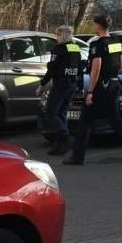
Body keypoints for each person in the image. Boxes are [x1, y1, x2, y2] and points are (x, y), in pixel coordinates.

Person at [68, 13, 122, 166]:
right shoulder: (116, 42)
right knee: (115, 118)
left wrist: (90, 91)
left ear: (98, 25)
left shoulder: (97, 44)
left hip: (101, 86)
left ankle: (77, 157)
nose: (92, 26)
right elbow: (121, 65)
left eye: (93, 23)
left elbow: (96, 69)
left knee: (85, 119)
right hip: (114, 83)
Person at [38, 24, 84, 157]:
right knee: (62, 113)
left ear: (62, 35)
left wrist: (42, 84)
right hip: (72, 83)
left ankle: (65, 136)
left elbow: (52, 69)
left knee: (51, 113)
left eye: (57, 34)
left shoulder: (58, 49)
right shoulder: (75, 48)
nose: (56, 37)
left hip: (61, 84)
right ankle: (60, 146)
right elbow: (80, 68)